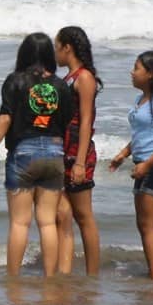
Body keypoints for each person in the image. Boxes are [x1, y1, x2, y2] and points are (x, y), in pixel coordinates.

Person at [0, 33, 73, 277]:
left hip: (23, 152)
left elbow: (5, 118)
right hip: (54, 152)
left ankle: (13, 278)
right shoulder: (60, 85)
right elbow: (66, 121)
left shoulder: (15, 81)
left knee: (20, 222)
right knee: (47, 222)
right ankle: (50, 278)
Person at [109, 51, 153, 280]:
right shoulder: (141, 101)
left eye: (137, 68)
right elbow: (143, 134)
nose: (132, 72)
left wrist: (148, 164)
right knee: (143, 225)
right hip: (143, 165)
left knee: (148, 226)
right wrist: (124, 153)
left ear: (150, 74)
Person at [54, 26, 102, 276]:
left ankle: (92, 276)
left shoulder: (84, 77)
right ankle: (65, 273)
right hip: (62, 154)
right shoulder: (68, 78)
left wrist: (81, 162)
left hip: (77, 154)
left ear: (67, 47)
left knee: (84, 217)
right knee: (62, 216)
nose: (55, 53)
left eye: (57, 46)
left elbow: (86, 121)